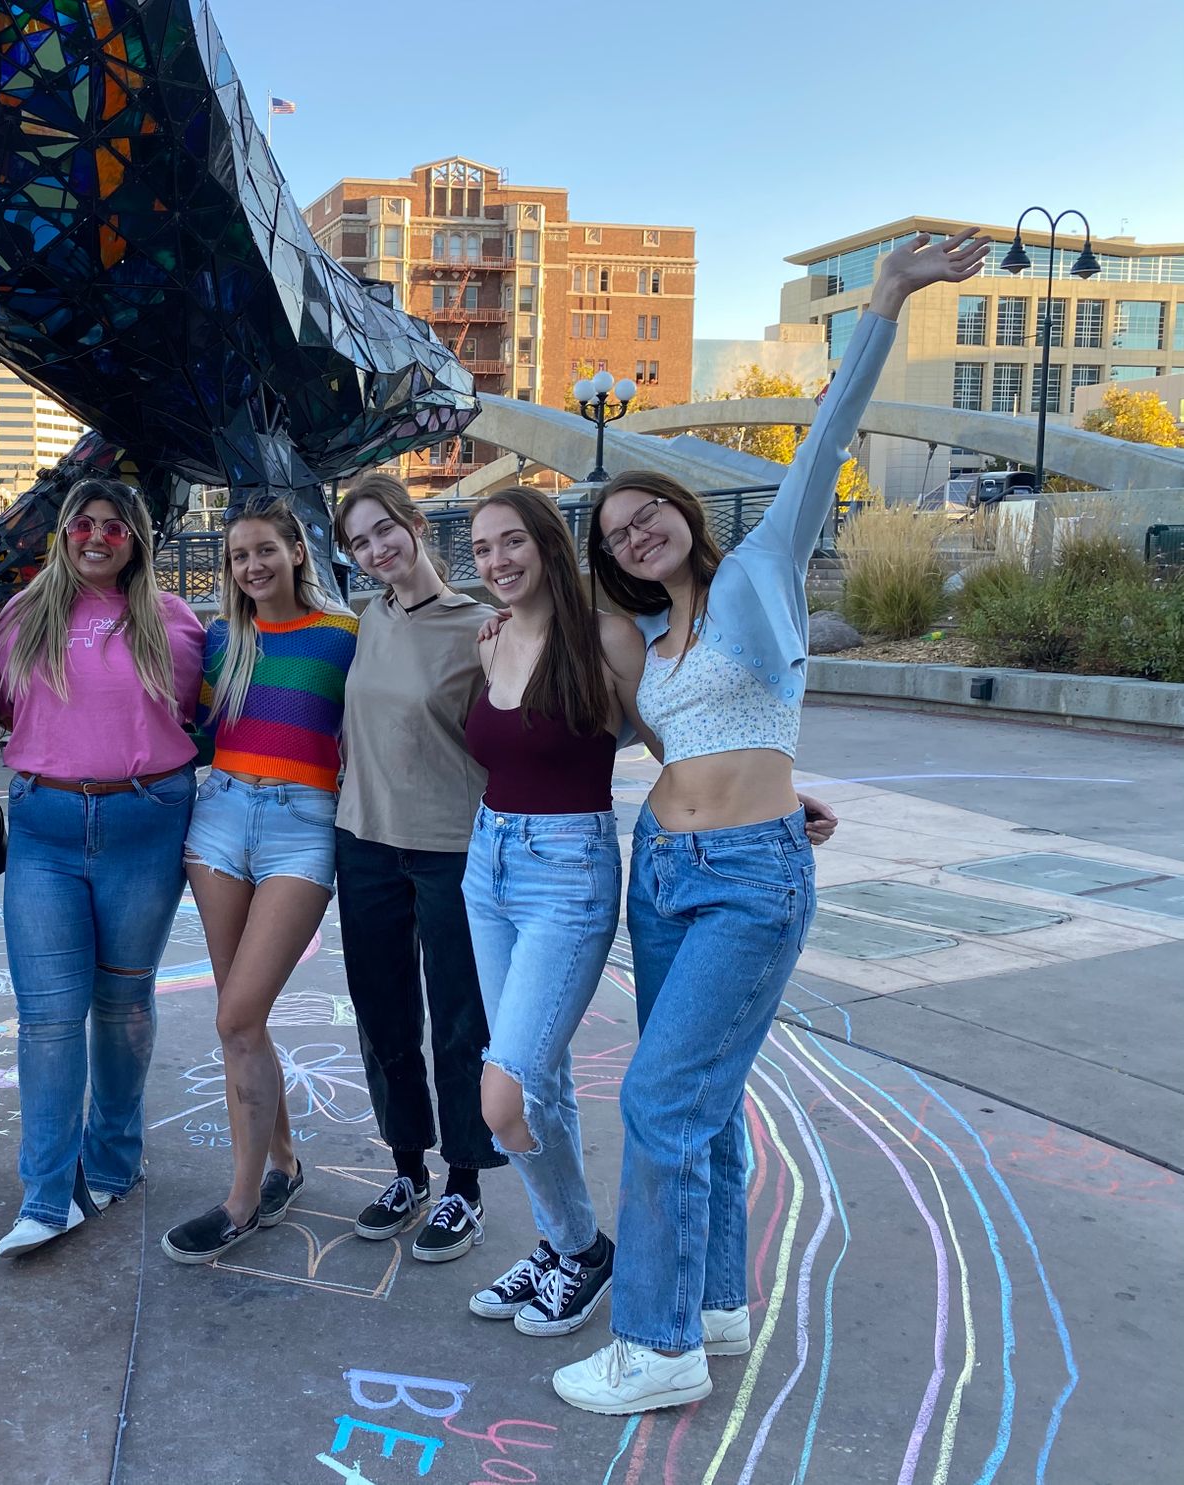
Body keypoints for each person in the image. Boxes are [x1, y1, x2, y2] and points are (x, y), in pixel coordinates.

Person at [551, 230, 986, 1415]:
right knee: (710, 1092)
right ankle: (716, 1304)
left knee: (657, 1099)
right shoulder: (642, 645)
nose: (638, 535)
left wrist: (887, 297)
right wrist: (782, 782)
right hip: (667, 868)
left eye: (648, 516)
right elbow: (675, 746)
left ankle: (657, 1343)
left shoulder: (759, 574)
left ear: (683, 517)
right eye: (618, 535)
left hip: (750, 879)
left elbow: (833, 427)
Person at [0, 477, 204, 1257]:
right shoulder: (20, 619)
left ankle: (113, 1161)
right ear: (63, 532)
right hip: (45, 830)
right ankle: (46, 1195)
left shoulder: (174, 622)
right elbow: (10, 712)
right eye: (83, 523)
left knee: (122, 1005)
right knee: (48, 1017)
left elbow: (196, 709)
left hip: (144, 825)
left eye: (116, 526)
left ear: (137, 539)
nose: (97, 537)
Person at [459, 489, 648, 1334]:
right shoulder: (492, 639)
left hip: (568, 873)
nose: (497, 561)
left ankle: (581, 1245)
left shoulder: (606, 637)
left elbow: (677, 732)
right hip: (486, 865)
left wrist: (773, 793)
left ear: (547, 543)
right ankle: (560, 1245)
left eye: (512, 542)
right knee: (544, 1082)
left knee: (506, 1095)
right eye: (483, 548)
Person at [161, 497, 359, 1263]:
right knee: (240, 1018)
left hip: (302, 829)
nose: (253, 566)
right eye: (240, 556)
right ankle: (281, 1165)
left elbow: (379, 718)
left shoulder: (344, 638)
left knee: (238, 1017)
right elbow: (199, 732)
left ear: (298, 552)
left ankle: (239, 1203)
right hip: (219, 822)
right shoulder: (222, 642)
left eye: (266, 550)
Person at [329, 472, 503, 1263]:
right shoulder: (366, 620)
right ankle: (407, 1170)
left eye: (382, 530)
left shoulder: (480, 626)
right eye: (360, 543)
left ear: (416, 522)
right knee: (381, 1010)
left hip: (450, 845)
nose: (375, 550)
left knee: (460, 1018)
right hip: (363, 839)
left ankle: (463, 1181)